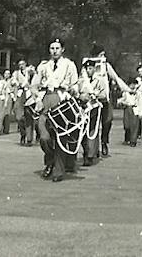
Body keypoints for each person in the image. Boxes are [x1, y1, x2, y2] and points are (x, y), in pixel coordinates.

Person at [36, 38, 80, 181]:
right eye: (52, 48)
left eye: (57, 48)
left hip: (62, 100)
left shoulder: (69, 65)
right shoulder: (43, 66)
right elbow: (34, 85)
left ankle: (58, 170)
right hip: (46, 98)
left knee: (61, 137)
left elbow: (75, 84)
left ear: (62, 50)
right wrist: (37, 98)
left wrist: (73, 91)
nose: (54, 51)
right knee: (44, 137)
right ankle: (50, 161)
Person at [78, 59, 107, 166]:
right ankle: (86, 152)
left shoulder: (99, 80)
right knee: (82, 131)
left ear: (94, 69)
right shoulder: (81, 81)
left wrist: (96, 95)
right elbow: (77, 92)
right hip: (83, 108)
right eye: (87, 68)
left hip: (94, 108)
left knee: (92, 131)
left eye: (91, 68)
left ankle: (90, 155)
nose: (89, 70)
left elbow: (104, 95)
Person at [0, 69, 15, 135]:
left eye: (8, 73)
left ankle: (6, 129)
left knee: (7, 114)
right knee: (1, 114)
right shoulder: (2, 81)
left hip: (9, 97)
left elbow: (14, 88)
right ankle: (0, 128)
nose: (7, 75)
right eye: (5, 73)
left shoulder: (12, 81)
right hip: (2, 98)